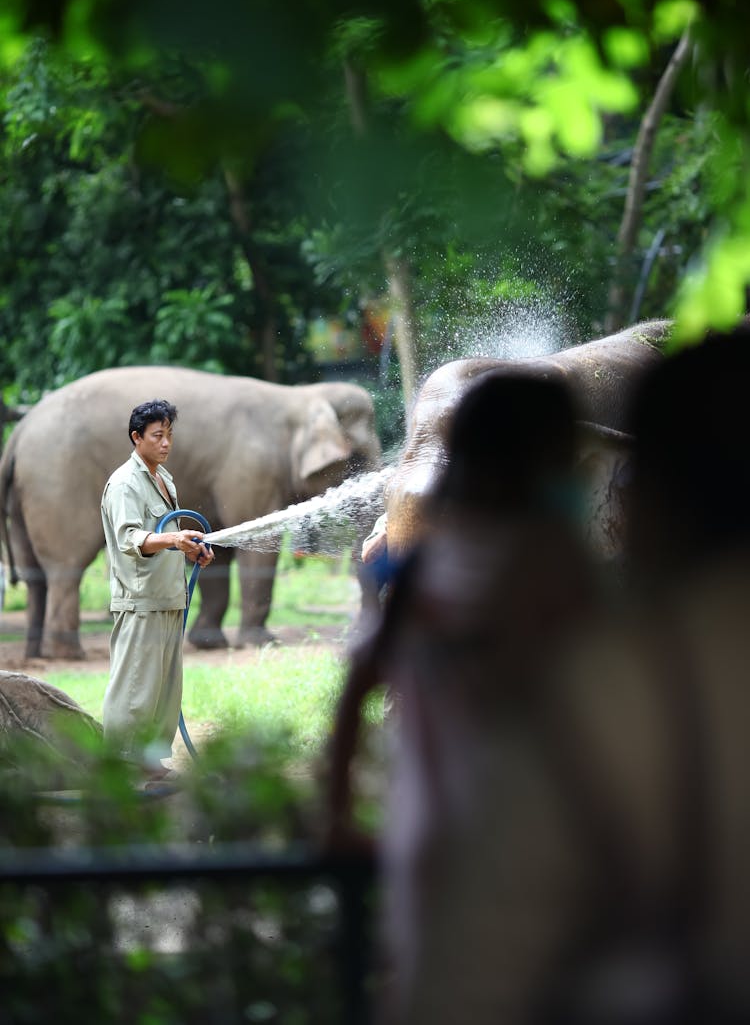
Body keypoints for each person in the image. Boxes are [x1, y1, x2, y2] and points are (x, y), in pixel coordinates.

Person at [324, 371, 601, 1023]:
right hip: (533, 839)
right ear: (548, 459)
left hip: (423, 837)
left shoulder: (417, 564)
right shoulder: (558, 559)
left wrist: (337, 813)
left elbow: (355, 689)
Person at [101, 399, 213, 782]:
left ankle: (148, 758)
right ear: (137, 438)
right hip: (140, 599)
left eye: (169, 435)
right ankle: (119, 762)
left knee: (163, 688)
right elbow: (131, 538)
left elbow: (171, 537)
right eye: (157, 436)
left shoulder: (165, 479)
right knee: (134, 685)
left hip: (169, 596)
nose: (166, 443)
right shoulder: (124, 484)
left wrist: (192, 549)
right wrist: (173, 539)